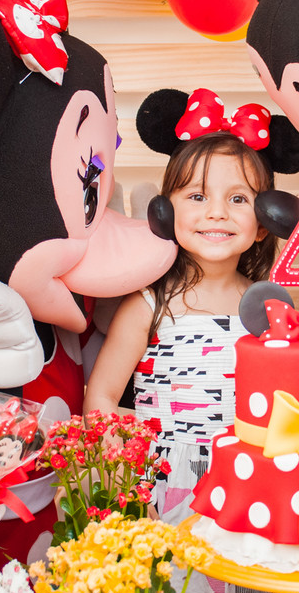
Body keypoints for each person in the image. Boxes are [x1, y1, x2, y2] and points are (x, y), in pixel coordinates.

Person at [83, 130, 276, 527]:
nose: (217, 212)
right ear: (166, 212)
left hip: (251, 481)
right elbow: (102, 395)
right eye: (198, 196)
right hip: (162, 485)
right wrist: (125, 485)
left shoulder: (270, 308)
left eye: (238, 199)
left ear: (263, 224)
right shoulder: (147, 305)